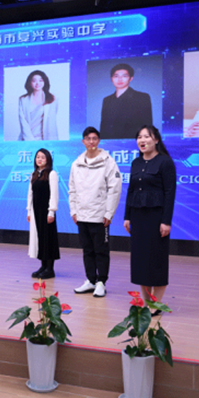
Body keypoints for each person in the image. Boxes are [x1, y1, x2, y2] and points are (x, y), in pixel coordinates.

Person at [124, 125, 176, 310]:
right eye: (139, 137)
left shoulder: (165, 162)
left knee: (156, 261)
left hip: (156, 219)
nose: (142, 140)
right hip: (138, 217)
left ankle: (156, 305)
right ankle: (147, 303)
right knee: (141, 261)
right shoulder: (136, 163)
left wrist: (166, 221)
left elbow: (170, 193)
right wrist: (127, 216)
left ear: (156, 140)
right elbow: (131, 191)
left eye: (146, 136)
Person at [69, 127, 122, 298]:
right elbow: (72, 189)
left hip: (100, 215)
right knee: (87, 250)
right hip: (82, 214)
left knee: (101, 250)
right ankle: (90, 280)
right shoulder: (76, 163)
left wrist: (109, 213)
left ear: (98, 140)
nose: (91, 142)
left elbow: (114, 189)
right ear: (83, 141)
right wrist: (73, 210)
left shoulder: (108, 162)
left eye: (94, 138)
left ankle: (101, 282)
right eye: (88, 138)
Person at [27, 148, 60, 280]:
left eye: (42, 157)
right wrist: (29, 211)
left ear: (48, 159)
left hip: (47, 212)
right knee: (39, 238)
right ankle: (43, 266)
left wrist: (51, 211)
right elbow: (30, 194)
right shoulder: (34, 174)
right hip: (36, 211)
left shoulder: (51, 174)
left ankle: (50, 269)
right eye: (37, 157)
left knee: (48, 239)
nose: (39, 159)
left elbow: (54, 194)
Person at [99, 64, 152, 140]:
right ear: (111, 79)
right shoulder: (107, 100)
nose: (120, 79)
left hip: (132, 142)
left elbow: (147, 126)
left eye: (124, 76)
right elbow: (103, 126)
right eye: (116, 76)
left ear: (131, 78)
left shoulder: (142, 97)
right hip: (110, 143)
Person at [18, 70, 59, 141]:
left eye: (40, 80)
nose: (37, 83)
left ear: (44, 82)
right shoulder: (23, 99)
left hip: (46, 139)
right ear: (30, 82)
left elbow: (53, 122)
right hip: (28, 139)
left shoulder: (53, 99)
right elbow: (23, 121)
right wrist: (30, 140)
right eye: (34, 81)